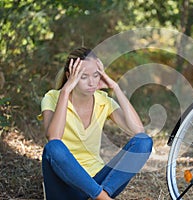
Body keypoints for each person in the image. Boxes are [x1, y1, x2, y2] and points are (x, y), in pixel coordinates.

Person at [40, 47, 153, 200]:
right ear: (70, 76)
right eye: (83, 76)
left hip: (97, 182)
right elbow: (53, 137)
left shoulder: (103, 101)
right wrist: (65, 92)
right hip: (63, 188)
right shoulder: (53, 98)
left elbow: (138, 131)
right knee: (53, 147)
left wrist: (116, 87)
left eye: (95, 75)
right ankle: (103, 198)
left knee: (144, 142)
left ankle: (101, 196)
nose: (92, 82)